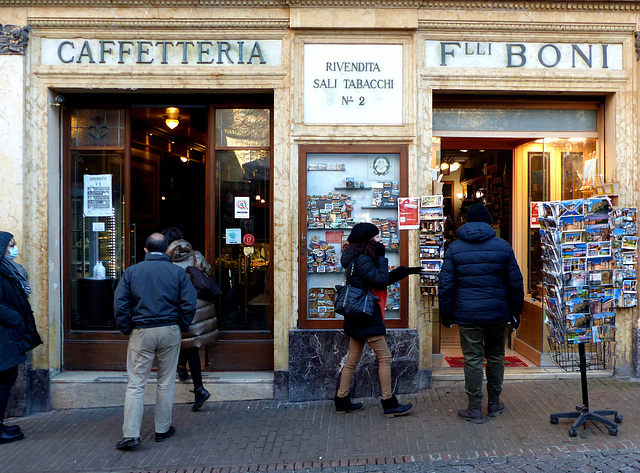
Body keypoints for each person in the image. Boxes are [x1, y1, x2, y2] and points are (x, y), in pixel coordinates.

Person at [438, 204, 524, 424]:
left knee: (473, 359)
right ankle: (494, 403)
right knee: (496, 356)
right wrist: (516, 313)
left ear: (465, 222)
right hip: (497, 313)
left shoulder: (455, 248)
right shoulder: (503, 247)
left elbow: (446, 285)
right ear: (490, 223)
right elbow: (515, 283)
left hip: (468, 314)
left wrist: (446, 314)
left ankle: (475, 407)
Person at [113, 233, 197, 450]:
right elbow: (189, 301)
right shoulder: (176, 272)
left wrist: (127, 328)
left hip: (142, 330)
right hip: (170, 329)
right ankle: (162, 428)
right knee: (166, 381)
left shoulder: (133, 271)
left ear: (145, 250)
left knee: (136, 383)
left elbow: (120, 303)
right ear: (166, 249)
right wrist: (182, 324)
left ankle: (131, 434)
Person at [335, 222, 421, 417]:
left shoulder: (356, 258)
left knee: (351, 360)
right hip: (366, 315)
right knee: (385, 357)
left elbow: (376, 279)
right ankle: (389, 402)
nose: (380, 239)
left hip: (355, 314)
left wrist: (402, 272)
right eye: (377, 236)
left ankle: (341, 399)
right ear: (368, 240)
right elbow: (380, 281)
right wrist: (382, 256)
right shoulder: (364, 258)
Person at [162, 227, 217, 412]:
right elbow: (209, 272)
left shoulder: (165, 258)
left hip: (178, 304)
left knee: (185, 340)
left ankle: (197, 386)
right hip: (198, 303)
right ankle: (183, 370)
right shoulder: (196, 255)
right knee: (189, 341)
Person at [0, 232, 42, 444]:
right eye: (10, 245)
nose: (13, 248)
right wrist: (15, 317)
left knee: (6, 379)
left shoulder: (9, 269)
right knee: (4, 380)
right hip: (4, 337)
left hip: (9, 337)